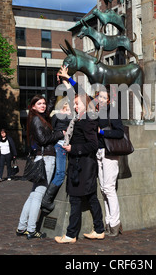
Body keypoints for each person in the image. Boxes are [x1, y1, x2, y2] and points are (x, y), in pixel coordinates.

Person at [54, 92, 105, 244]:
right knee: (90, 198)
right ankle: (99, 229)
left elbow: (93, 145)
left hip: (84, 166)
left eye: (77, 103)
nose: (74, 106)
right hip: (80, 165)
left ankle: (71, 235)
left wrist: (72, 149)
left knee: (77, 199)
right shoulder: (80, 119)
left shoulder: (88, 119)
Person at [16, 95, 64, 239]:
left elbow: (48, 106)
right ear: (33, 107)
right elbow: (43, 139)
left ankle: (21, 226)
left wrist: (56, 89)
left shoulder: (39, 117)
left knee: (32, 195)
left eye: (43, 103)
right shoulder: (36, 119)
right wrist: (60, 133)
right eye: (39, 104)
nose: (43, 105)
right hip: (46, 158)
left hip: (42, 158)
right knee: (38, 195)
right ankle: (31, 230)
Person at [95, 88, 125, 236]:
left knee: (109, 188)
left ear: (107, 100)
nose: (100, 99)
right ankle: (108, 222)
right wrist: (69, 79)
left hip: (110, 153)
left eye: (103, 97)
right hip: (99, 153)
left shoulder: (111, 111)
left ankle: (115, 223)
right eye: (98, 96)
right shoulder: (95, 113)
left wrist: (102, 132)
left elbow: (120, 132)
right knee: (103, 189)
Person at [41, 99, 71, 213]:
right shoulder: (63, 118)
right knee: (60, 174)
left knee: (55, 173)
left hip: (59, 146)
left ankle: (46, 201)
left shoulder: (56, 118)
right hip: (60, 147)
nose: (69, 112)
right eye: (67, 109)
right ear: (63, 109)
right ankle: (47, 199)